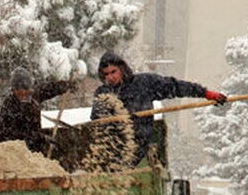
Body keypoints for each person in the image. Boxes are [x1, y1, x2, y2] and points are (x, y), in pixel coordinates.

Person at [91, 51, 227, 166]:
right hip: (113, 151)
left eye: (113, 72)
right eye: (106, 74)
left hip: (141, 146)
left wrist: (205, 93)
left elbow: (175, 86)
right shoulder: (102, 94)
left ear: (122, 69)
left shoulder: (143, 83)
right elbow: (96, 123)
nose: (110, 77)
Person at [0, 67, 76, 154]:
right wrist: (39, 136)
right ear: (13, 90)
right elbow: (6, 132)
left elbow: (49, 88)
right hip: (17, 152)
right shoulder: (9, 105)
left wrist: (66, 85)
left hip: (36, 149)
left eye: (25, 91)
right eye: (19, 92)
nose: (23, 94)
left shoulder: (34, 96)